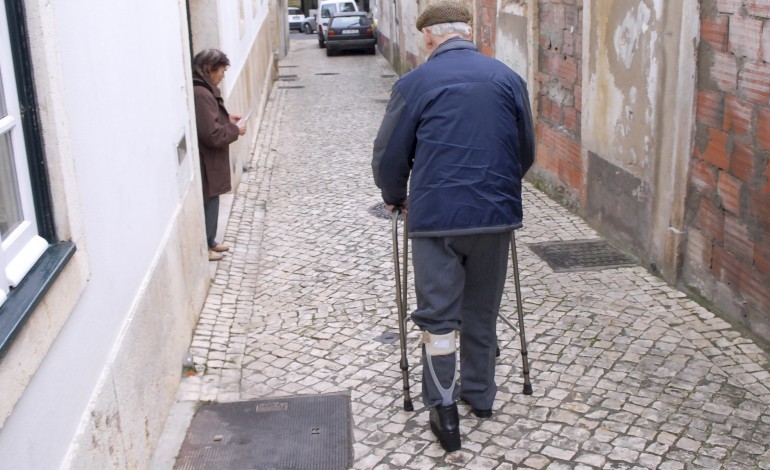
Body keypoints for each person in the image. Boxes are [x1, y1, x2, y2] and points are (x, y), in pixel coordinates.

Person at [371, 0, 534, 452]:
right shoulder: (508, 78)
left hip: (436, 220)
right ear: (467, 32)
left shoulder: (415, 83)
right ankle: (481, 396)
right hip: (494, 216)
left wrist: (394, 196)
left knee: (439, 318)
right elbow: (525, 150)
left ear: (429, 37)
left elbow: (389, 156)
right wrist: (496, 189)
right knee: (482, 310)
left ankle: (443, 408)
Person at [192, 49, 247, 261]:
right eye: (221, 70)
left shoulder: (206, 91)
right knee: (209, 201)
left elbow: (212, 122)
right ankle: (206, 245)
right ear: (209, 69)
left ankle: (211, 241)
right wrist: (235, 131)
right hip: (208, 160)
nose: (223, 75)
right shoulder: (202, 94)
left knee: (213, 199)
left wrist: (227, 119)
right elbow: (211, 134)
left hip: (211, 159)